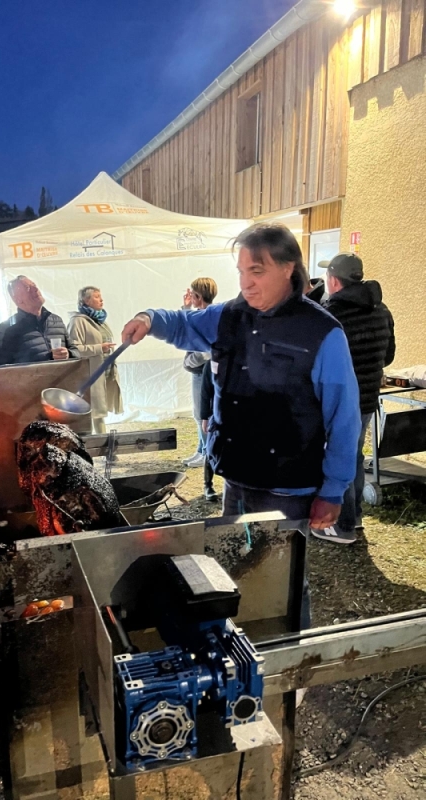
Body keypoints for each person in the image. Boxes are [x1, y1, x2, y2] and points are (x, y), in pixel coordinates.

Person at [122, 223, 361, 628]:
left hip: (289, 486)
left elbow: (345, 418)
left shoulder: (322, 332)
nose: (246, 283)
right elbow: (182, 323)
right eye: (241, 271)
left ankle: (287, 659)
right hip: (237, 476)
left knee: (281, 585)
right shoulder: (230, 315)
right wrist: (149, 318)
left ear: (288, 268)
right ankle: (239, 653)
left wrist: (334, 490)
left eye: (257, 271)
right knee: (229, 573)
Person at [311, 253, 396, 545]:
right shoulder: (381, 308)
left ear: (334, 280)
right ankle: (354, 517)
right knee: (354, 457)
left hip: (339, 400)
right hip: (368, 398)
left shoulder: (332, 313)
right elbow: (389, 356)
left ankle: (341, 525)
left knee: (338, 458)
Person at [0, 275, 80, 366]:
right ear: (18, 300)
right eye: (28, 288)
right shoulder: (6, 329)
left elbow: (76, 352)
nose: (36, 289)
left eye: (34, 285)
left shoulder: (56, 321)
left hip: (64, 379)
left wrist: (69, 353)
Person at [67, 286, 123, 434]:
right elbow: (74, 349)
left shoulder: (100, 321)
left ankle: (103, 446)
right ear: (86, 300)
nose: (101, 299)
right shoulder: (77, 321)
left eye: (100, 296)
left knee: (100, 412)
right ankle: (95, 446)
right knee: (93, 412)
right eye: (97, 296)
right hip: (90, 373)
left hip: (105, 370)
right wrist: (99, 348)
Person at [182, 278, 218, 468]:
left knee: (201, 415)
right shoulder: (205, 314)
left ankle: (206, 453)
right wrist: (186, 308)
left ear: (198, 296)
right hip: (199, 371)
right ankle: (201, 450)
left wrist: (189, 361)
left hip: (202, 372)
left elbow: (206, 352)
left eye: (193, 295)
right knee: (199, 414)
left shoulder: (207, 317)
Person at [200, 359, 219, 501]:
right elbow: (205, 391)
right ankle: (208, 485)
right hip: (216, 414)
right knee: (211, 448)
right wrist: (204, 417)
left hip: (240, 413)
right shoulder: (211, 363)